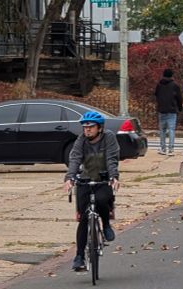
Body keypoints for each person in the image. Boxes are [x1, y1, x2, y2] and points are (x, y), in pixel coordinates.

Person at [63, 111, 120, 272]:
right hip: (85, 181)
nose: (87, 130)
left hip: (103, 179)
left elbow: (111, 158)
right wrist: (70, 178)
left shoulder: (108, 137)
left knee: (102, 200)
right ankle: (79, 256)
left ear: (99, 128)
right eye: (85, 127)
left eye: (91, 127)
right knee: (83, 218)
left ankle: (106, 225)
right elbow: (75, 158)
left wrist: (114, 176)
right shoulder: (81, 140)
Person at [154, 68, 183, 156]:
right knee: (171, 130)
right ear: (171, 75)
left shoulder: (159, 85)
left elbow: (156, 94)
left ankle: (163, 148)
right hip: (172, 110)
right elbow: (179, 98)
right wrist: (179, 108)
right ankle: (171, 149)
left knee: (162, 130)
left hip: (162, 110)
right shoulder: (175, 86)